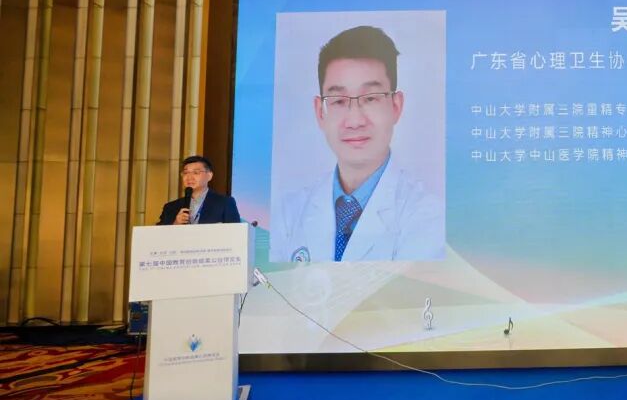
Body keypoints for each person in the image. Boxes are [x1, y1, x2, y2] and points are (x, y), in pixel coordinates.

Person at [271, 25, 444, 263]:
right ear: (319, 112)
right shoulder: (287, 214)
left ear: (396, 106)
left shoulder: (430, 218)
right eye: (338, 100)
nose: (354, 121)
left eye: (371, 98)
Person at [157, 155, 242, 225]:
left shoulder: (224, 203)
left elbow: (235, 233)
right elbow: (158, 235)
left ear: (209, 176)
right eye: (186, 173)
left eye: (196, 172)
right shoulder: (170, 207)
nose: (189, 177)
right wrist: (175, 224)